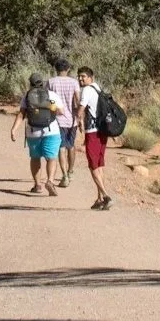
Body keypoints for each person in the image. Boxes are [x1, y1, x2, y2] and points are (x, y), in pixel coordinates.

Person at [9, 72, 64, 196]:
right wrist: (51, 107)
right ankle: (50, 180)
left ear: (30, 83)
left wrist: (14, 129)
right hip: (51, 130)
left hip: (33, 132)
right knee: (51, 158)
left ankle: (37, 185)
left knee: (35, 158)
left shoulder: (27, 96)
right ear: (43, 82)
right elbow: (61, 111)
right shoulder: (51, 95)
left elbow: (21, 114)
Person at [77, 65, 113, 210]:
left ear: (90, 78)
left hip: (92, 131)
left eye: (83, 76)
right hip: (102, 131)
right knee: (99, 165)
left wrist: (77, 121)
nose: (80, 79)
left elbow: (81, 109)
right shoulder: (98, 88)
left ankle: (106, 196)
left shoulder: (86, 90)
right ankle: (99, 199)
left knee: (93, 166)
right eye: (79, 76)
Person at [48, 60, 81, 187]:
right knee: (71, 146)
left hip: (57, 119)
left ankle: (64, 176)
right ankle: (70, 171)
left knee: (61, 148)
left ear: (56, 69)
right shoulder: (74, 82)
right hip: (72, 120)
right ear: (68, 69)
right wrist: (80, 118)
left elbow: (49, 99)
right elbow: (77, 101)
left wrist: (53, 111)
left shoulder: (51, 82)